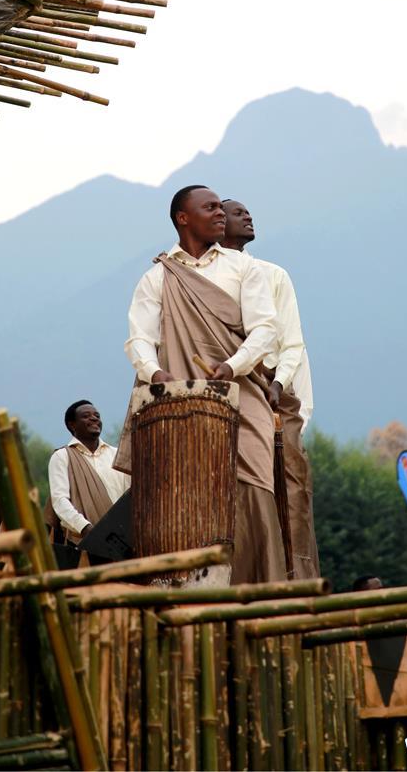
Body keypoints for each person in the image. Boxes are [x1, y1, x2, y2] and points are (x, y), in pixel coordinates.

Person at [116, 185, 287, 584]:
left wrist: (231, 366)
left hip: (244, 397)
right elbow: (138, 338)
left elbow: (265, 330)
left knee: (253, 487)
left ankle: (254, 592)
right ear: (183, 217)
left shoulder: (244, 268)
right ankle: (183, 587)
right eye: (209, 207)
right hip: (178, 403)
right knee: (180, 493)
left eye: (220, 208)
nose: (220, 214)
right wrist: (155, 373)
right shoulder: (157, 276)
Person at [221, 198, 320, 578]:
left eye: (248, 211)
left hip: (272, 391)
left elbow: (291, 342)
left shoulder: (272, 274)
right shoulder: (197, 276)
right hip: (223, 391)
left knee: (289, 487)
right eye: (235, 212)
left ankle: (290, 574)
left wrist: (277, 385)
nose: (247, 216)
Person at [45, 400, 130, 545]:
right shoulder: (62, 456)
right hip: (81, 542)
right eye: (86, 416)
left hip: (121, 541)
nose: (94, 418)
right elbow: (59, 500)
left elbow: (130, 496)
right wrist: (86, 528)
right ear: (72, 425)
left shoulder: (118, 455)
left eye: (97, 415)